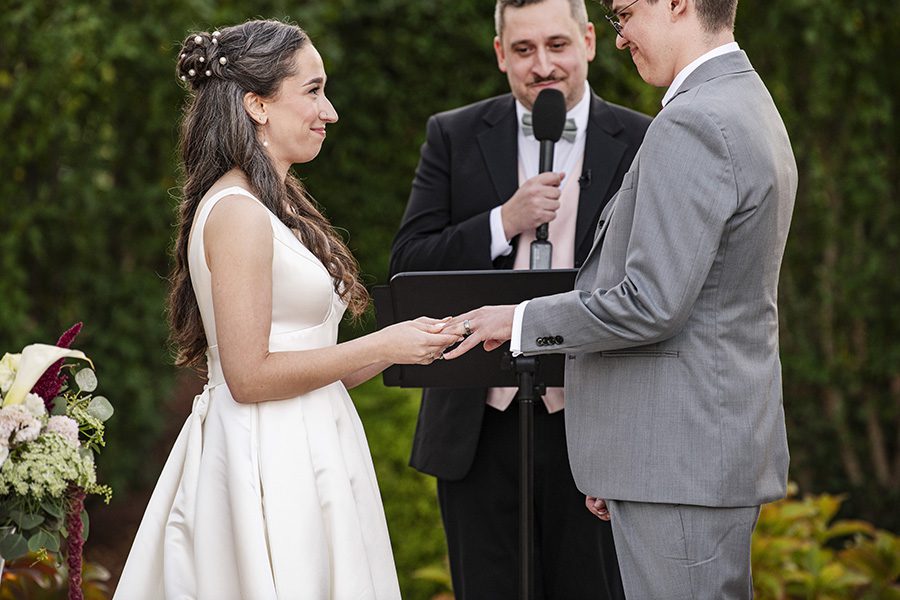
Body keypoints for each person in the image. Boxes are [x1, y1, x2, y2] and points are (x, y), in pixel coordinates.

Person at [443, 0, 798, 597]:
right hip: (682, 455)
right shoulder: (744, 99)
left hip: (678, 465)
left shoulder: (695, 121)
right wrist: (620, 459)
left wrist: (521, 321)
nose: (621, 36)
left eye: (624, 14)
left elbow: (651, 303)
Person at [114, 19, 459, 600]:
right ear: (257, 105)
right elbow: (249, 376)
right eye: (313, 90)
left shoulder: (273, 205)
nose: (330, 112)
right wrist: (383, 343)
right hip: (267, 458)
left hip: (311, 443)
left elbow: (315, 363)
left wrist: (407, 341)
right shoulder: (238, 213)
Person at [389, 0, 650, 597]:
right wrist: (502, 221)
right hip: (479, 422)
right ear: (500, 54)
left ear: (588, 41)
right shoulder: (454, 134)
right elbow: (408, 264)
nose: (543, 66)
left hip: (595, 417)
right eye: (524, 49)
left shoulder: (643, 138)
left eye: (557, 45)